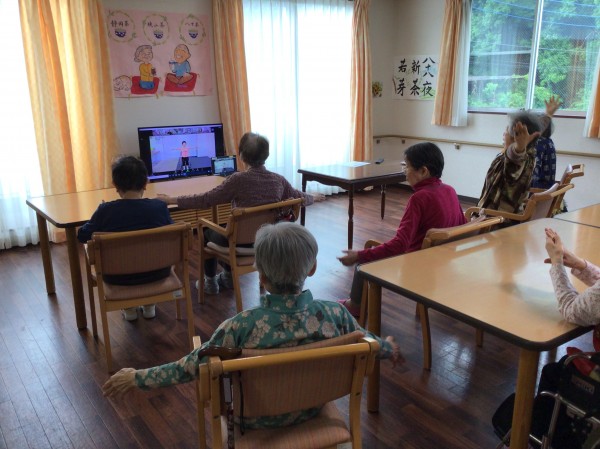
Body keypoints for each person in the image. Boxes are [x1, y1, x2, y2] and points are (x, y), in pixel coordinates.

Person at [102, 222, 401, 429]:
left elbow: (191, 366)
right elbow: (370, 343)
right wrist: (389, 348)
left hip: (254, 421)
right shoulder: (336, 314)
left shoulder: (239, 327)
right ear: (312, 268)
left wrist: (137, 377)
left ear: (261, 275)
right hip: (312, 409)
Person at [158, 132, 324, 295]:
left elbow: (206, 200)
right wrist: (313, 197)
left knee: (206, 231)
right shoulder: (278, 180)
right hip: (266, 241)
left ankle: (210, 283)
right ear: (266, 155)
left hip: (239, 243)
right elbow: (298, 196)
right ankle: (227, 277)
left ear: (242, 155)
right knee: (229, 231)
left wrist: (171, 200)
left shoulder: (237, 180)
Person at [337, 142, 466, 317]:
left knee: (364, 262)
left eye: (407, 166)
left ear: (423, 171)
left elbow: (400, 245)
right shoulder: (450, 190)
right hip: (444, 262)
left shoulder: (419, 199)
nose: (404, 171)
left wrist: (359, 255)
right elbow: (462, 223)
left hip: (418, 265)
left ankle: (355, 306)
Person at [77, 155, 173, 321]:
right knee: (146, 254)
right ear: (145, 183)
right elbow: (172, 232)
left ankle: (129, 309)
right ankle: (149, 304)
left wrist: (98, 216)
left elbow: (82, 235)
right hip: (158, 274)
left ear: (115, 185)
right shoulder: (159, 208)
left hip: (118, 278)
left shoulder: (105, 211)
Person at [477, 110, 544, 215]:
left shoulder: (522, 159)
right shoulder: (512, 155)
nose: (504, 133)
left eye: (507, 130)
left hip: (496, 220)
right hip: (488, 214)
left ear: (517, 137)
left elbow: (513, 167)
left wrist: (519, 147)